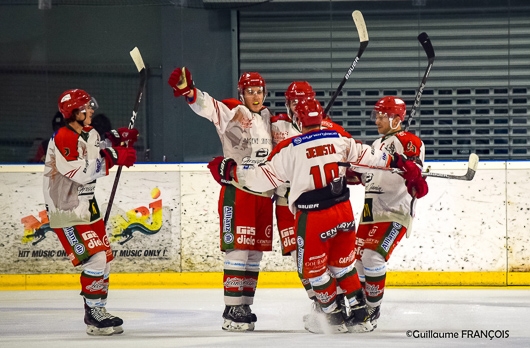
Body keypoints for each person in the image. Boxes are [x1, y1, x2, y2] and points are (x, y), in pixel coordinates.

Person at [208, 98, 424, 334]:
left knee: (314, 270)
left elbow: (263, 179)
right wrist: (400, 161)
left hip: (314, 216)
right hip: (343, 214)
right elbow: (370, 157)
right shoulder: (339, 139)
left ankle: (333, 316)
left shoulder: (290, 148)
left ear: (297, 120)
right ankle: (361, 315)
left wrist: (230, 171)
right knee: (344, 266)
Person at [167, 67, 274, 332]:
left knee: (254, 254)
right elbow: (208, 106)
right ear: (242, 93)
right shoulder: (233, 110)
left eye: (259, 91)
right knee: (238, 249)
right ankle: (231, 306)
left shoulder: (270, 117)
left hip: (264, 197)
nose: (255, 96)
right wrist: (190, 92)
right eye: (250, 91)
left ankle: (244, 304)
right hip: (239, 192)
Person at [43, 89, 138, 336]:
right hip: (65, 209)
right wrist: (113, 157)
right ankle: (93, 315)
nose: (92, 110)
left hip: (88, 206)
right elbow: (78, 171)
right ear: (75, 112)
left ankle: (98, 312)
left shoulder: (90, 133)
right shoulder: (63, 137)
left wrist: (116, 141)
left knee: (104, 259)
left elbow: (96, 153)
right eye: (87, 107)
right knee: (95, 258)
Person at [352, 96, 428, 330]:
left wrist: (410, 168)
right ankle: (362, 305)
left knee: (373, 256)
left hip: (393, 211)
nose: (377, 120)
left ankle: (371, 311)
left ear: (397, 119)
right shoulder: (376, 145)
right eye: (377, 115)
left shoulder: (409, 141)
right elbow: (368, 177)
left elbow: (414, 173)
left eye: (382, 116)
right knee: (357, 261)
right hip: (369, 210)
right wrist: (352, 173)